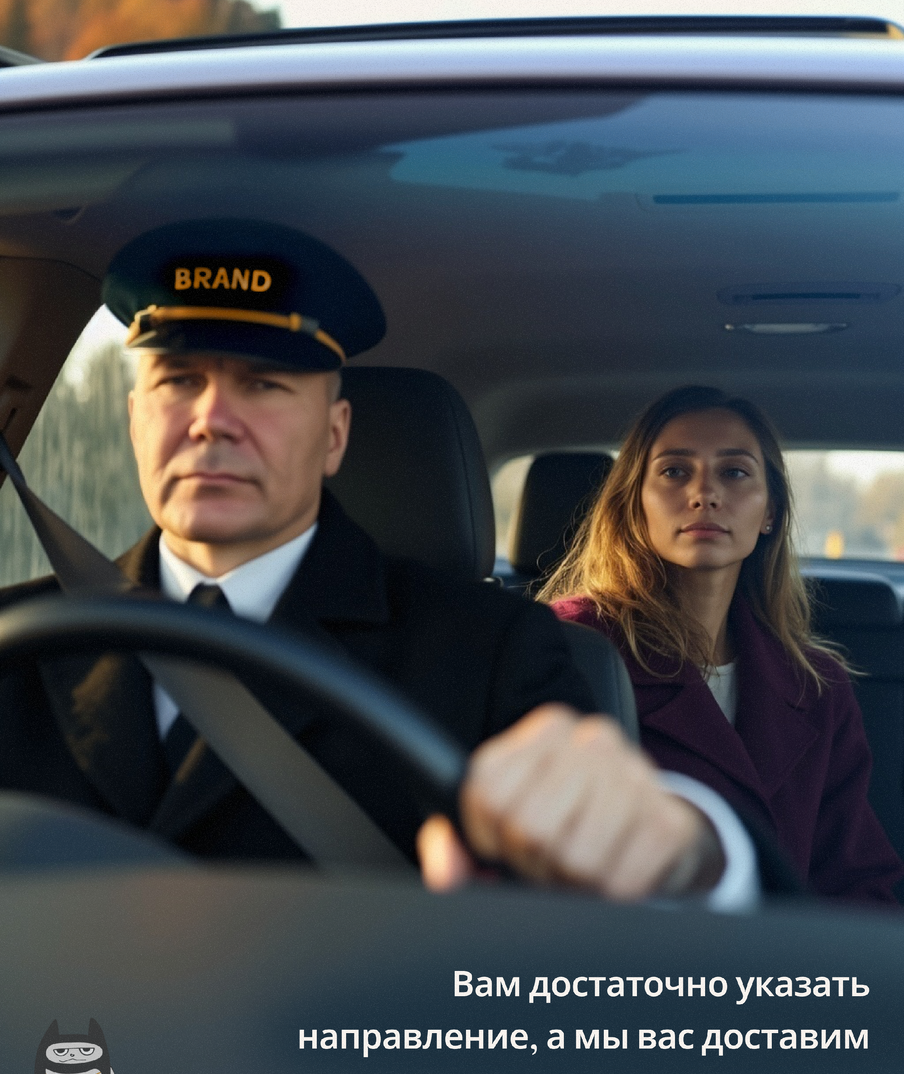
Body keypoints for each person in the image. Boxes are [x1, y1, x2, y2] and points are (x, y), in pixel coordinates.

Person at [0, 222, 749, 906]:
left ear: (334, 436)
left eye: (263, 383)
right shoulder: (18, 639)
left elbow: (603, 885)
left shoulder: (490, 651)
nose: (211, 421)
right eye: (179, 380)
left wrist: (683, 849)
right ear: (136, 419)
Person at [541, 385, 903, 906]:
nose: (703, 494)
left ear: (770, 511)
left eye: (734, 472)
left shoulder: (817, 686)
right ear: (635, 505)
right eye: (674, 471)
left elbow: (855, 885)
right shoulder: (571, 647)